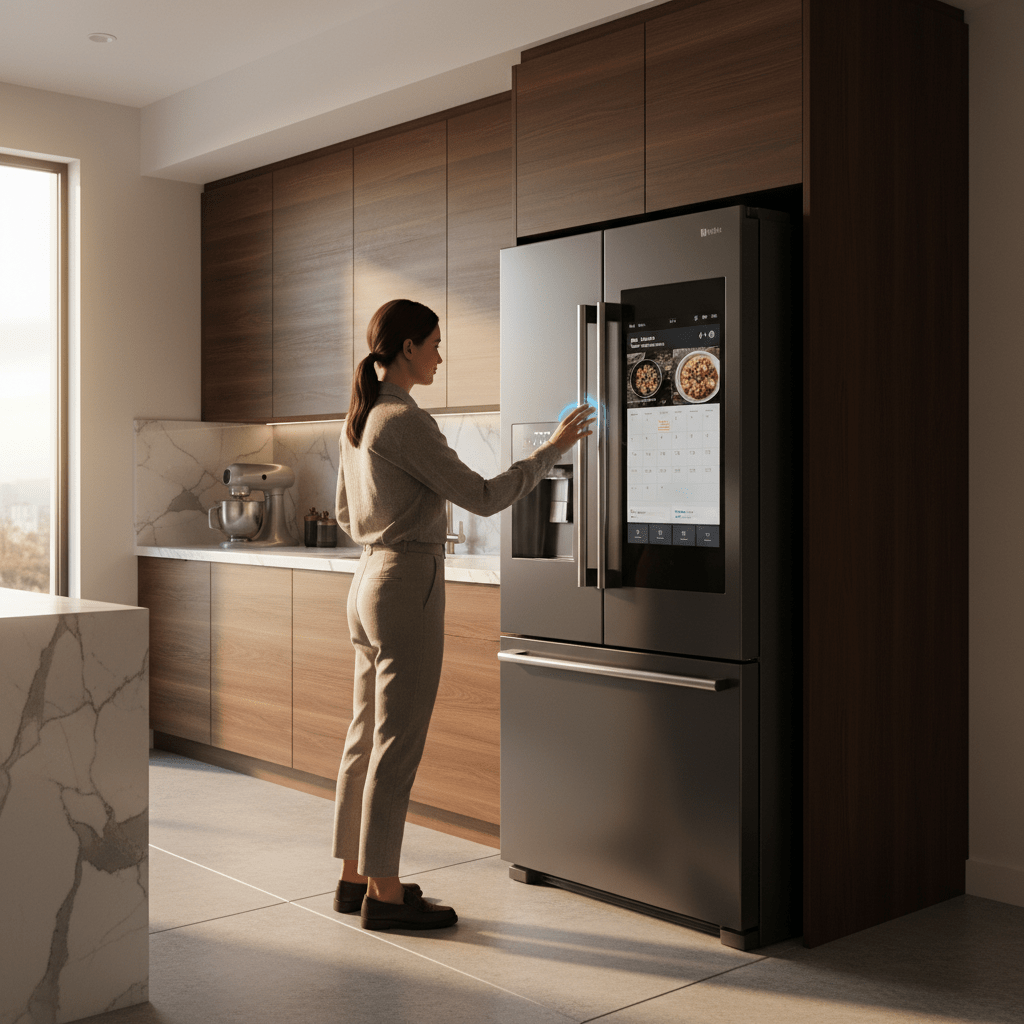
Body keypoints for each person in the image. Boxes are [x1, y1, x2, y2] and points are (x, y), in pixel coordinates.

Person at [331, 298, 594, 931]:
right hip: (405, 584)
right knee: (397, 743)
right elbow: (481, 495)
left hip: (367, 579)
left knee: (364, 736)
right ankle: (386, 895)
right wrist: (551, 450)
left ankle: (354, 877)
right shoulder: (403, 419)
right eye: (435, 344)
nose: (441, 356)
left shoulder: (360, 419)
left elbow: (344, 512)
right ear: (408, 349)